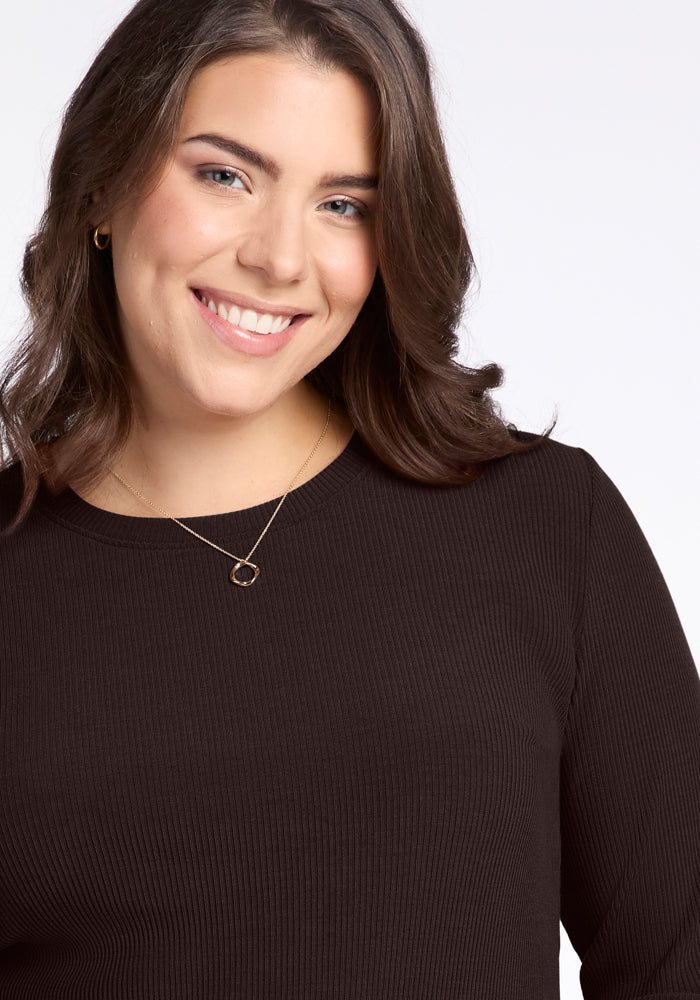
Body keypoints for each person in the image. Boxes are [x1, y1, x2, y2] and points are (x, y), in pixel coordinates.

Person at [0, 0, 698, 997]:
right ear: (102, 188)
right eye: (224, 175)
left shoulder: (542, 528)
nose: (280, 259)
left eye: (344, 204)